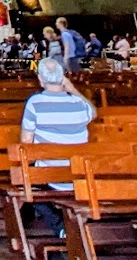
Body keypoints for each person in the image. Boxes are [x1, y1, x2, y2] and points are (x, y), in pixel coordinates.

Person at [20, 56, 97, 237]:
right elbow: (93, 112)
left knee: (27, 182)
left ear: (40, 79)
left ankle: (60, 226)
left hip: (50, 176)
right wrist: (73, 90)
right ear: (63, 77)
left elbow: (26, 143)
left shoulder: (35, 103)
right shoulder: (79, 104)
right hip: (78, 174)